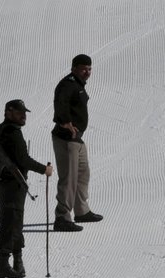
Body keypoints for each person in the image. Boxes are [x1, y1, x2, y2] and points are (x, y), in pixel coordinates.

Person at [0, 99, 54, 278]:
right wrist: (44, 170)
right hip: (12, 183)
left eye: (24, 112)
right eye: (19, 112)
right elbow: (23, 160)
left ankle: (17, 262)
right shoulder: (12, 133)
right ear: (9, 112)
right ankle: (4, 265)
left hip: (2, 182)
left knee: (12, 221)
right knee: (11, 221)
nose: (23, 116)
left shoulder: (0, 129)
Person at [51, 54, 103, 232]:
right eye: (83, 68)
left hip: (77, 139)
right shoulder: (68, 84)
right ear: (74, 68)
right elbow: (60, 102)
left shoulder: (78, 84)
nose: (87, 72)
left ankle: (81, 211)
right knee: (69, 178)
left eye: (89, 69)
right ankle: (62, 217)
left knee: (82, 174)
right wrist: (64, 121)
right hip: (66, 138)